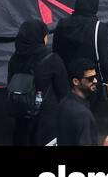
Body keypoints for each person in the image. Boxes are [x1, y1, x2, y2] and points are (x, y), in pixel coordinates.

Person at [7, 18, 68, 146]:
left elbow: (10, 83)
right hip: (45, 121)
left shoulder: (14, 58)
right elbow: (63, 92)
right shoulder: (52, 60)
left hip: (21, 114)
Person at [56, 58, 108, 146]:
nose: (95, 81)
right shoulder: (82, 115)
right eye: (90, 78)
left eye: (95, 77)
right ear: (76, 81)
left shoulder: (64, 102)